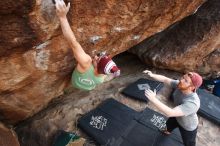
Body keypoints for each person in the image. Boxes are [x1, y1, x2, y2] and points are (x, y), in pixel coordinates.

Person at [54, 0, 120, 90]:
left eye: (98, 59)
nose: (96, 56)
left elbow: (73, 43)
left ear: (97, 67)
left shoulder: (86, 62)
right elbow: (108, 72)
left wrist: (62, 17)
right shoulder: (102, 77)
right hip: (86, 87)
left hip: (75, 82)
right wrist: (115, 72)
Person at [143, 70, 203, 146]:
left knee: (189, 143)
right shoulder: (180, 85)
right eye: (183, 77)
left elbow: (170, 113)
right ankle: (167, 131)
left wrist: (153, 99)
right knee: (168, 127)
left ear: (192, 87)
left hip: (187, 126)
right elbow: (165, 79)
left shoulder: (193, 103)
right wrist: (152, 75)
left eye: (186, 81)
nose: (181, 80)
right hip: (176, 116)